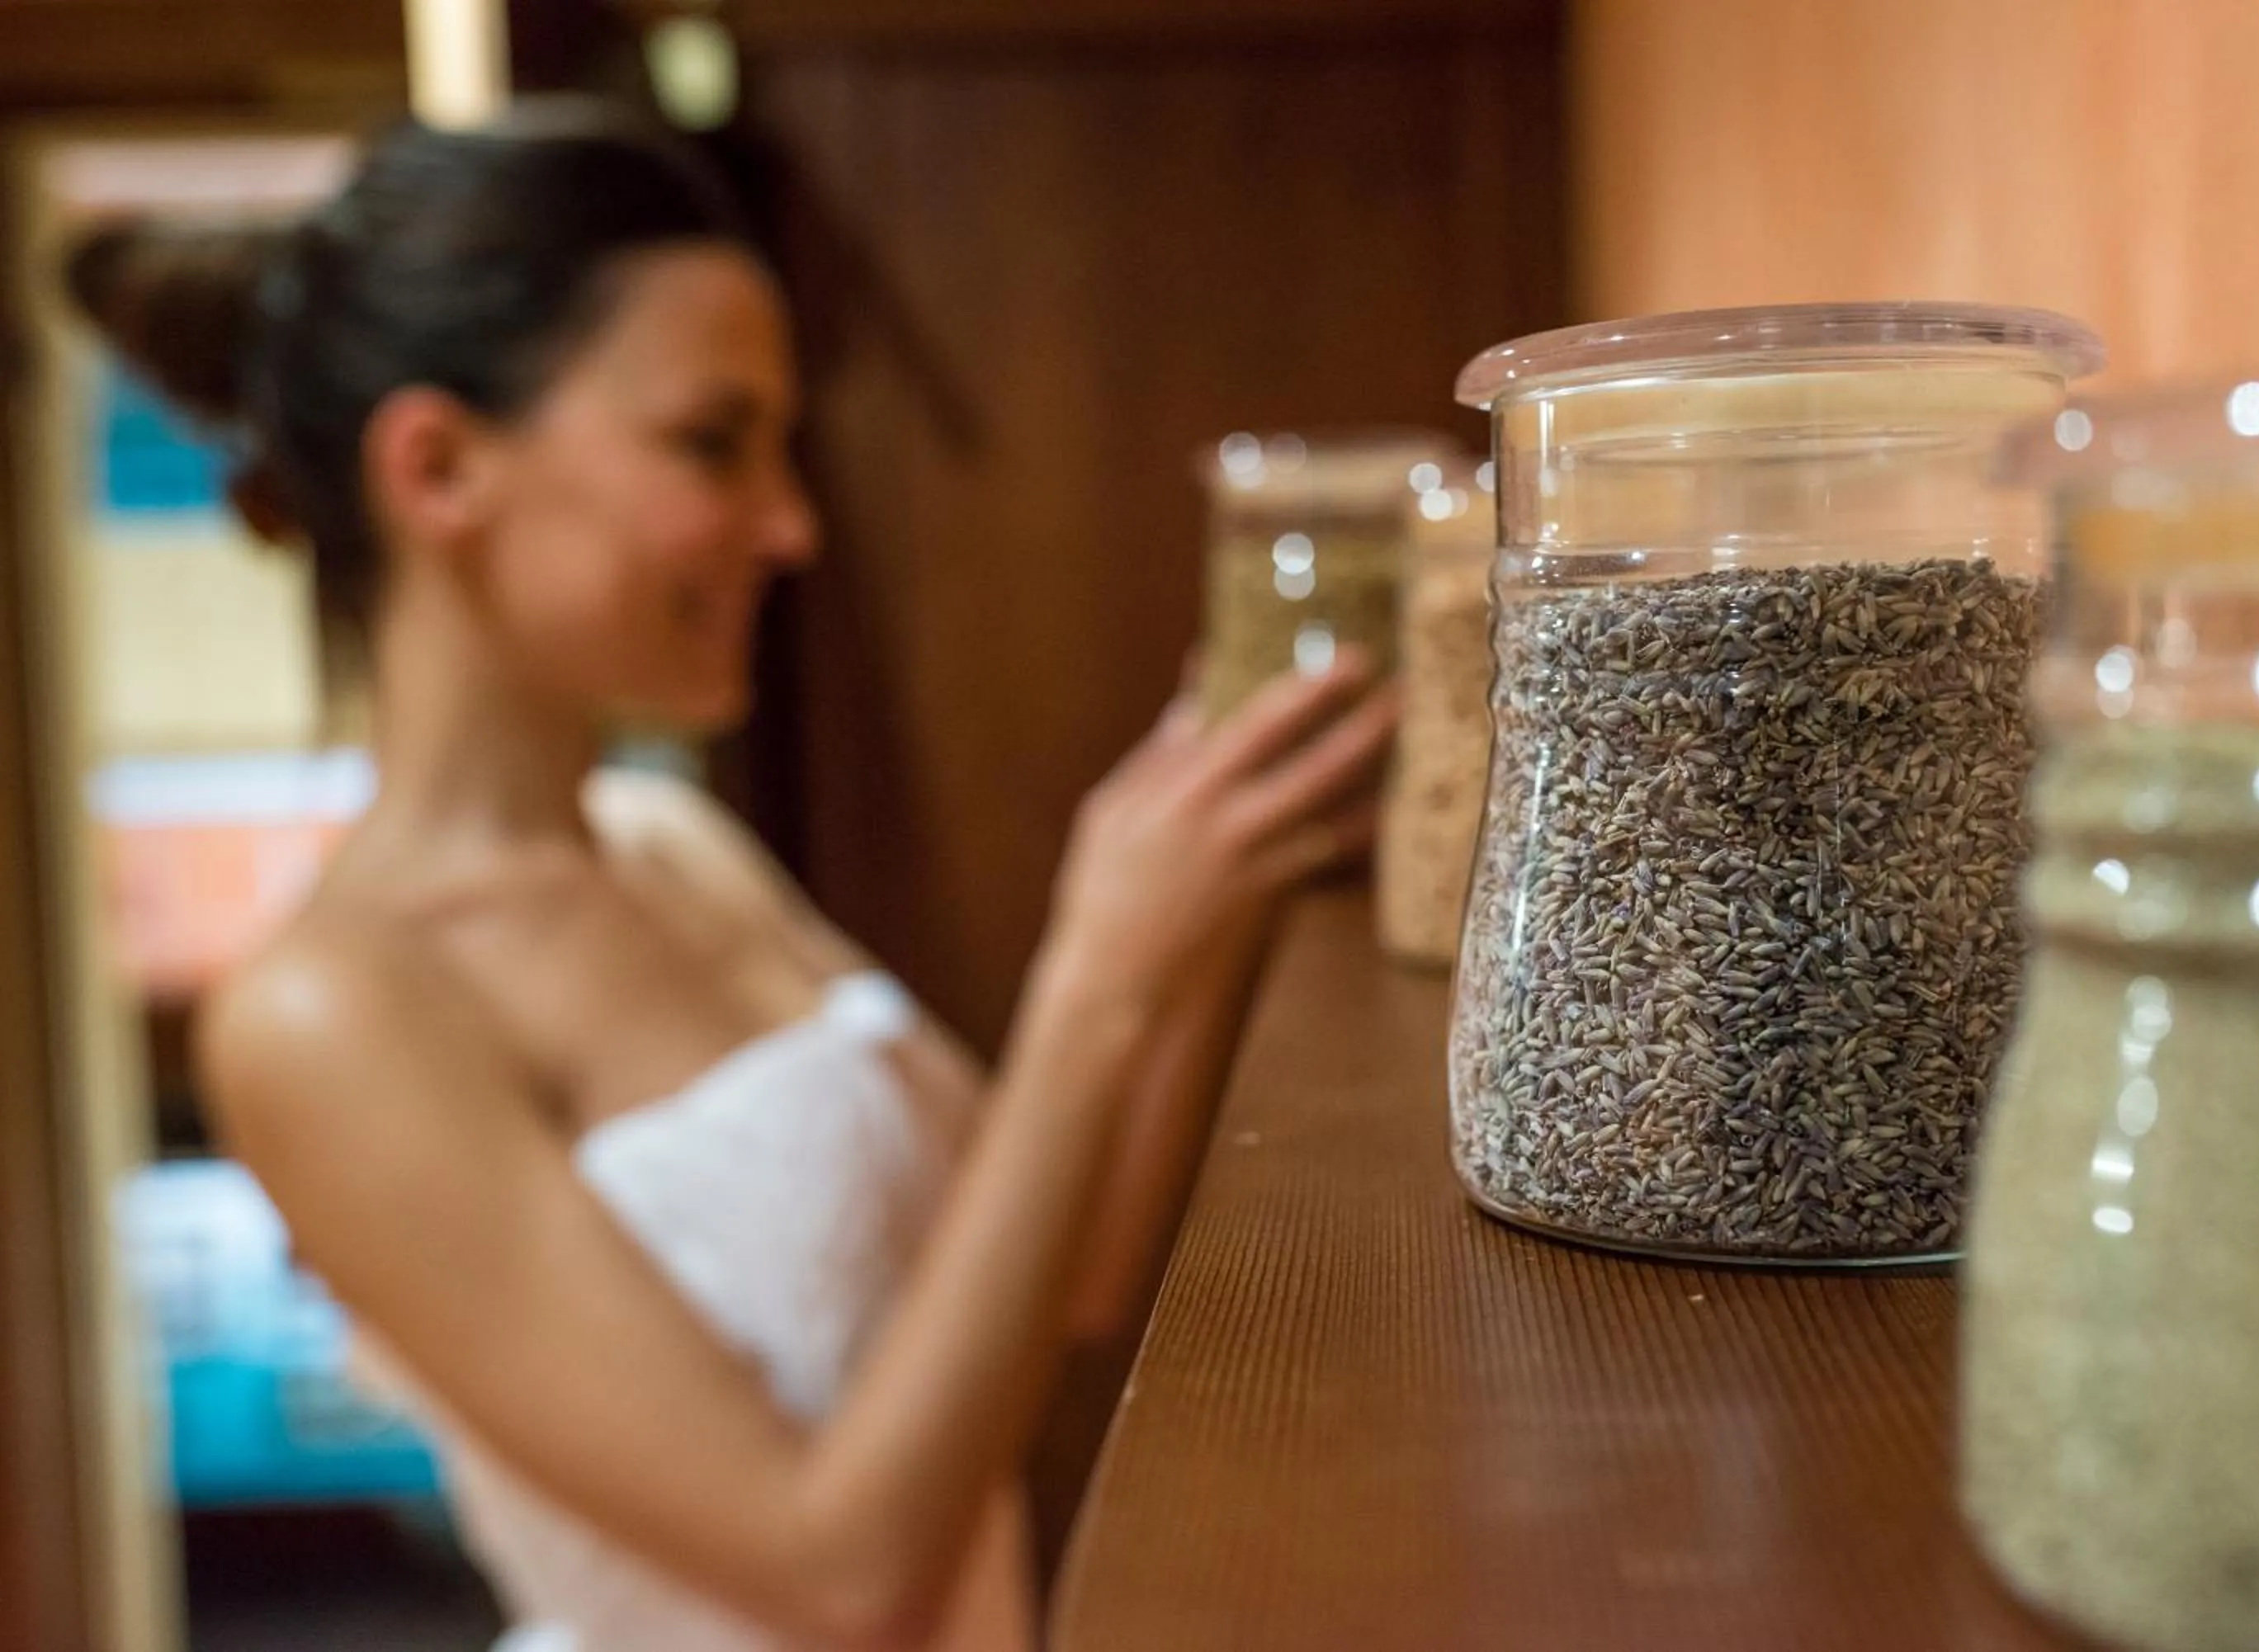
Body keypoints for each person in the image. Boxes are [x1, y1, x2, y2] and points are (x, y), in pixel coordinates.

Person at [69, 99, 1394, 1652]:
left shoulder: (670, 847)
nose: (790, 525)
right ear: (438, 469)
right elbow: (840, 1572)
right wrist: (1098, 965)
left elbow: (1072, 1268)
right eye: (717, 442)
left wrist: (1205, 872)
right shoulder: (327, 1013)